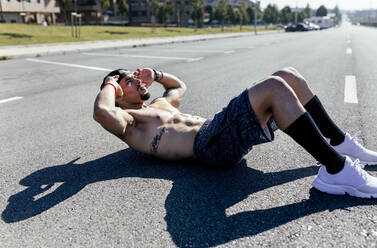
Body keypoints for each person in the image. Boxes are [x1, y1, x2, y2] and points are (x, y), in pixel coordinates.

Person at [93, 67, 377, 198]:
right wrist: (110, 83)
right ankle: (336, 171)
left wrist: (155, 74)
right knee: (274, 87)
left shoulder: (160, 103)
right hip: (208, 147)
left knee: (288, 76)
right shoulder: (130, 122)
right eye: (128, 81)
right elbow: (102, 112)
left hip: (216, 132)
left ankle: (337, 144)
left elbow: (178, 87)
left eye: (133, 76)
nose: (135, 79)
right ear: (117, 95)